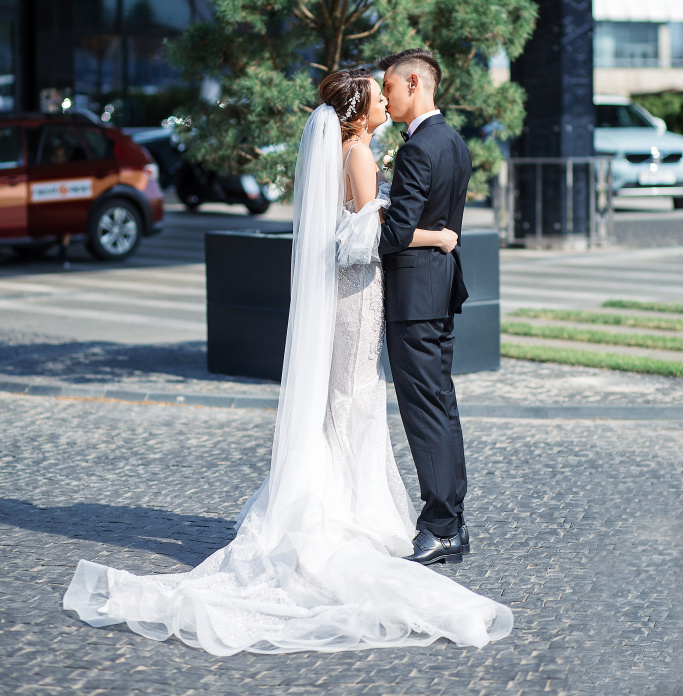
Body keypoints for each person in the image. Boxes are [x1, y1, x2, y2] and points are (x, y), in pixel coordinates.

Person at [63, 68, 512, 656]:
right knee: (359, 397)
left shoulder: (367, 152)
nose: (385, 101)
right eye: (377, 96)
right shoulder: (383, 152)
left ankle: (389, 511)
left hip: (375, 296)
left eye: (388, 90)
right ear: (360, 113)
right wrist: (437, 236)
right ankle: (369, 511)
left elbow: (372, 229)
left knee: (357, 398)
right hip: (365, 295)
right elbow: (368, 236)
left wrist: (413, 229)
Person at [377, 49, 472, 567]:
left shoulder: (417, 148)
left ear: (414, 83)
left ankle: (440, 527)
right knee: (442, 405)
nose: (385, 97)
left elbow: (396, 233)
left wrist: (367, 218)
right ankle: (452, 522)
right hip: (439, 289)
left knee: (424, 412)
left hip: (414, 298)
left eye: (389, 87)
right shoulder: (453, 141)